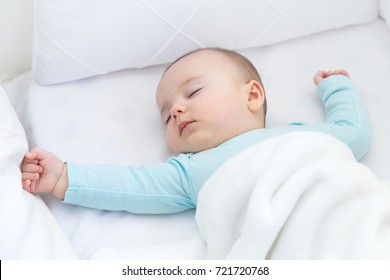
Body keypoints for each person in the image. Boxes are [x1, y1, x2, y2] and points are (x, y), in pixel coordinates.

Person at [21, 47, 371, 214]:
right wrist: (64, 177)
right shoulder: (191, 172)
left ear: (252, 95)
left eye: (193, 92)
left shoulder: (301, 137)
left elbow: (352, 132)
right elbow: (131, 187)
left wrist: (337, 88)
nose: (176, 110)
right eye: (166, 118)